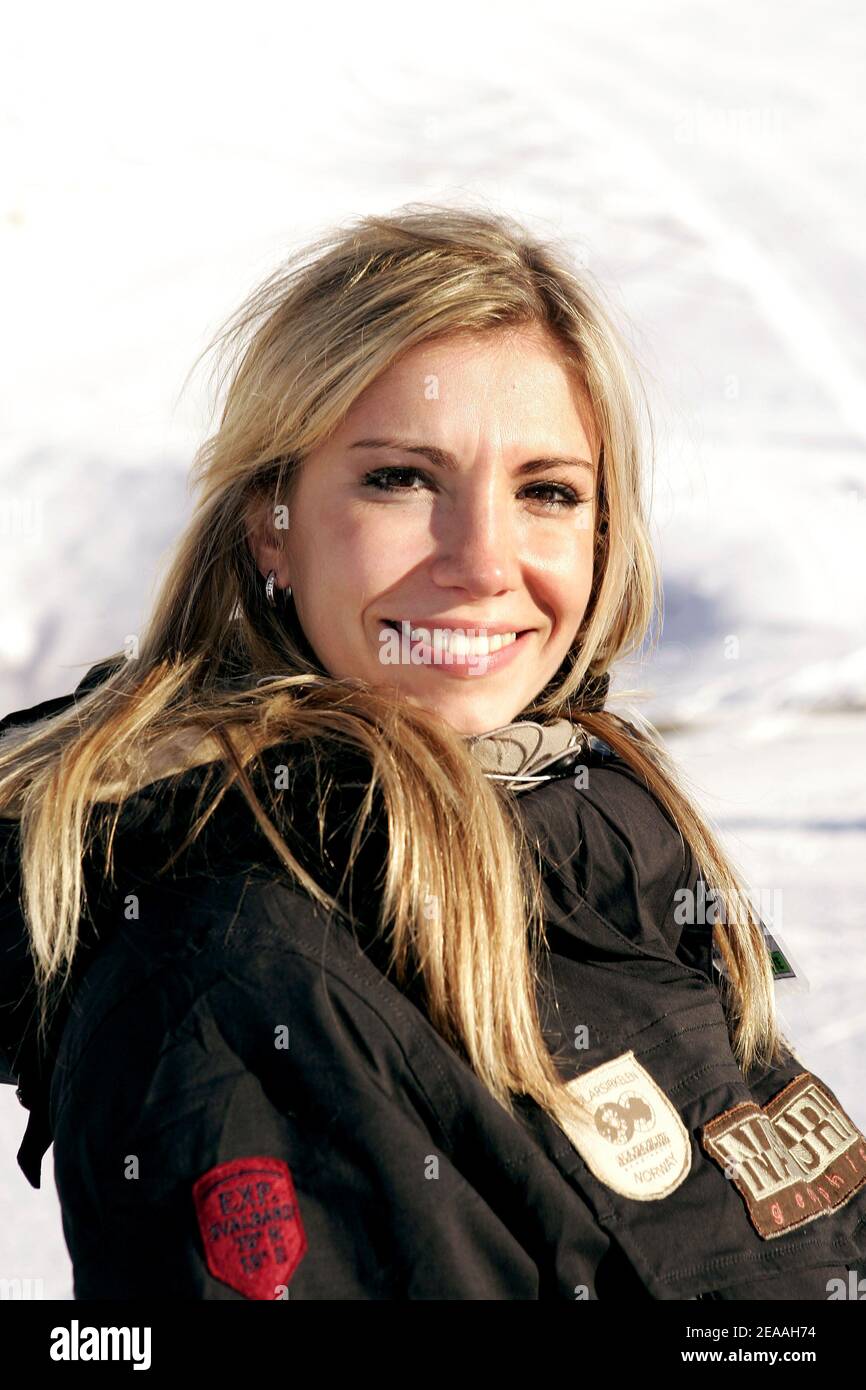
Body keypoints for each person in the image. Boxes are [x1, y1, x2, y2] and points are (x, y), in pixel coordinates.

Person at [1, 205, 864, 1301]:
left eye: (545, 491)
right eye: (401, 479)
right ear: (273, 519)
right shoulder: (239, 968)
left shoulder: (609, 832)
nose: (482, 562)